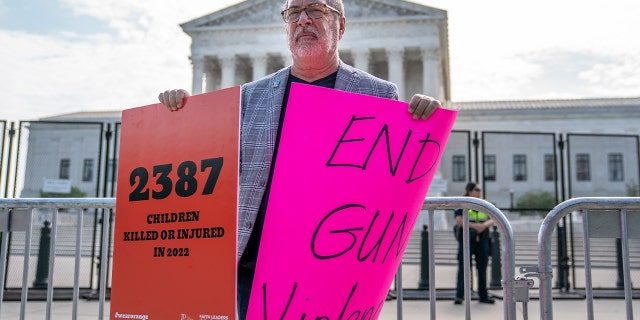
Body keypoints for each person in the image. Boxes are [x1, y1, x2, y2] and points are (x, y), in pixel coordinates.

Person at [158, 0, 443, 318]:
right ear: (285, 28)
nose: (303, 20)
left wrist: (422, 122)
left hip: (335, 268)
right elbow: (208, 165)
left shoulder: (378, 94)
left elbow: (387, 186)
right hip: (257, 270)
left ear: (341, 26)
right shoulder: (249, 97)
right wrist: (182, 115)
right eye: (293, 13)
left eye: (316, 10)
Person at [453, 182, 495, 304]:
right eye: (477, 189)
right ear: (469, 191)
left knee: (482, 268)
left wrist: (483, 226)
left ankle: (483, 295)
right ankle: (459, 296)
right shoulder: (462, 203)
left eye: (479, 189)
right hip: (467, 239)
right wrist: (476, 226)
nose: (479, 192)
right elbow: (459, 220)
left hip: (482, 239)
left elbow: (493, 218)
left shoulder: (484, 204)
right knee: (463, 268)